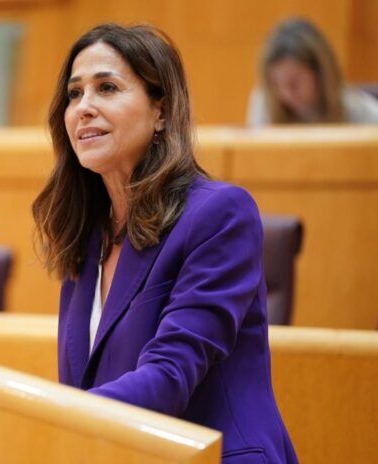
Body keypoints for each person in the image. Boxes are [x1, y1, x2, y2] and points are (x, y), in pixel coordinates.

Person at [32, 24, 297, 463]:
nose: (84, 108)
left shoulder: (219, 214)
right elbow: (83, 384)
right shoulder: (85, 233)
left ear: (161, 111)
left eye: (107, 87)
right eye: (75, 93)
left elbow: (171, 374)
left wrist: (46, 412)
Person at [247, 17, 378, 125]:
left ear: (321, 74)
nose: (286, 93)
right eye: (275, 83)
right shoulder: (264, 103)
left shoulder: (358, 110)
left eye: (294, 82)